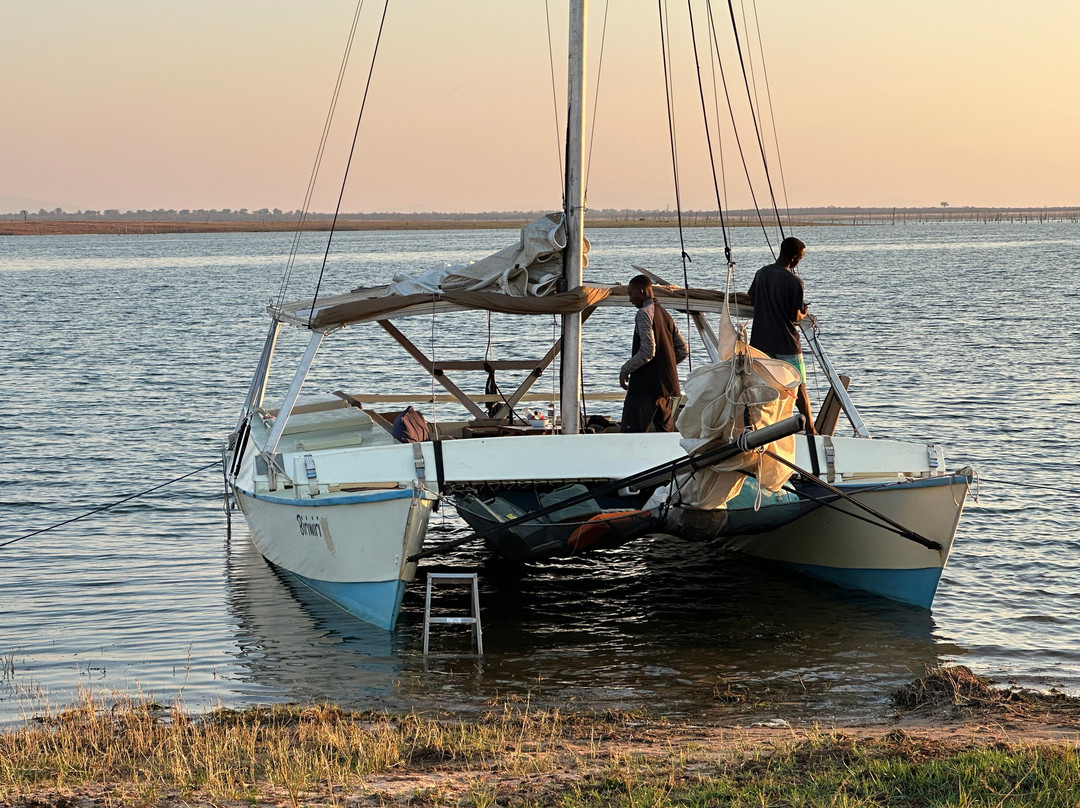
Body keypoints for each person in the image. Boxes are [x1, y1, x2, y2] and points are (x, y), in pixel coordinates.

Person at [747, 236, 816, 435]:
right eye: (800, 258)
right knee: (799, 386)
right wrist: (804, 312)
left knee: (763, 387)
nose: (799, 262)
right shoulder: (795, 282)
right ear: (794, 258)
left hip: (761, 343)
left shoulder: (761, 273)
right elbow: (794, 317)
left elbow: (752, 298)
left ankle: (761, 428)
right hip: (786, 344)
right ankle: (811, 429)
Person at [619, 275, 689, 432]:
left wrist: (625, 370)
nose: (630, 299)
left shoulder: (644, 313)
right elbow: (683, 350)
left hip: (644, 389)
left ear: (642, 291)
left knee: (631, 435)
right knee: (665, 432)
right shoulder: (665, 314)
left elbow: (647, 350)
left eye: (631, 294)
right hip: (665, 388)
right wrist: (664, 366)